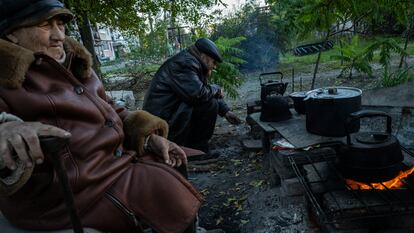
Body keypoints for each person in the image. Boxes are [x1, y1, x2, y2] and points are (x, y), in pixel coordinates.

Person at [0, 1, 202, 232]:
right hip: (73, 197)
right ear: (12, 34)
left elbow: (108, 107)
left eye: (61, 24)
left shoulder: (74, 62)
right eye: (45, 25)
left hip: (111, 168)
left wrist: (147, 137)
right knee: (168, 192)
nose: (58, 36)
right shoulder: (5, 77)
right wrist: (5, 128)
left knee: (173, 162)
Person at [143, 38, 241, 156]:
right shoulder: (185, 64)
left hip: (168, 116)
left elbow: (203, 91)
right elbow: (198, 95)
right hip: (161, 125)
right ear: (204, 56)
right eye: (214, 62)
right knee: (209, 105)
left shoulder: (192, 61)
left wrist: (226, 111)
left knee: (208, 100)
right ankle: (196, 151)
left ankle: (193, 146)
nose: (214, 67)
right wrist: (216, 88)